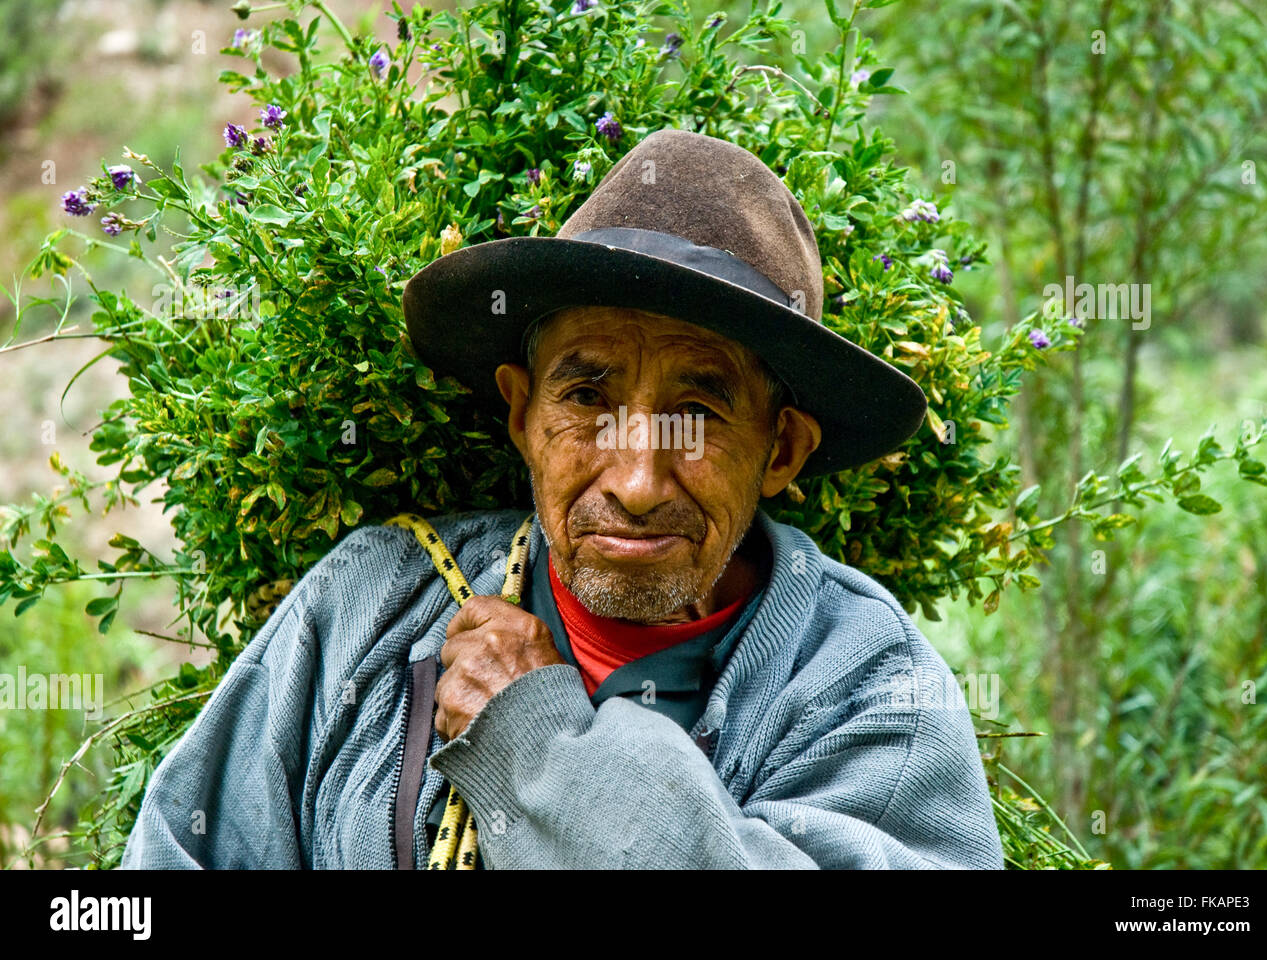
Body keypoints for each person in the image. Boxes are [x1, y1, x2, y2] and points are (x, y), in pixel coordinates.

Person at [122, 128, 1003, 869]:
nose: (635, 480)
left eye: (698, 413)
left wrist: (539, 744)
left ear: (782, 449)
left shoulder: (871, 688)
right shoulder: (369, 604)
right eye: (587, 399)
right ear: (520, 410)